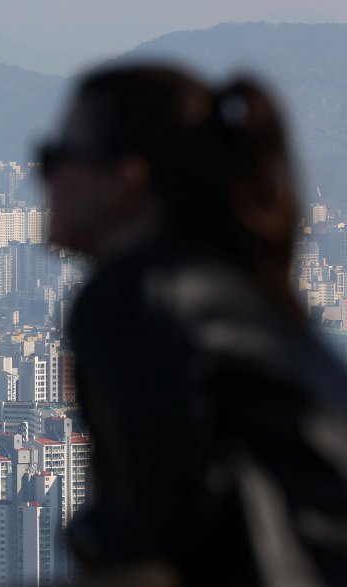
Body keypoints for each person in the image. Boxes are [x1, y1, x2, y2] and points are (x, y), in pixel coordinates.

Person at [41, 64, 347, 586]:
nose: (42, 176)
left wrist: (87, 538)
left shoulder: (136, 296)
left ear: (126, 181)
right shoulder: (241, 292)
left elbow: (160, 522)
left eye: (56, 157)